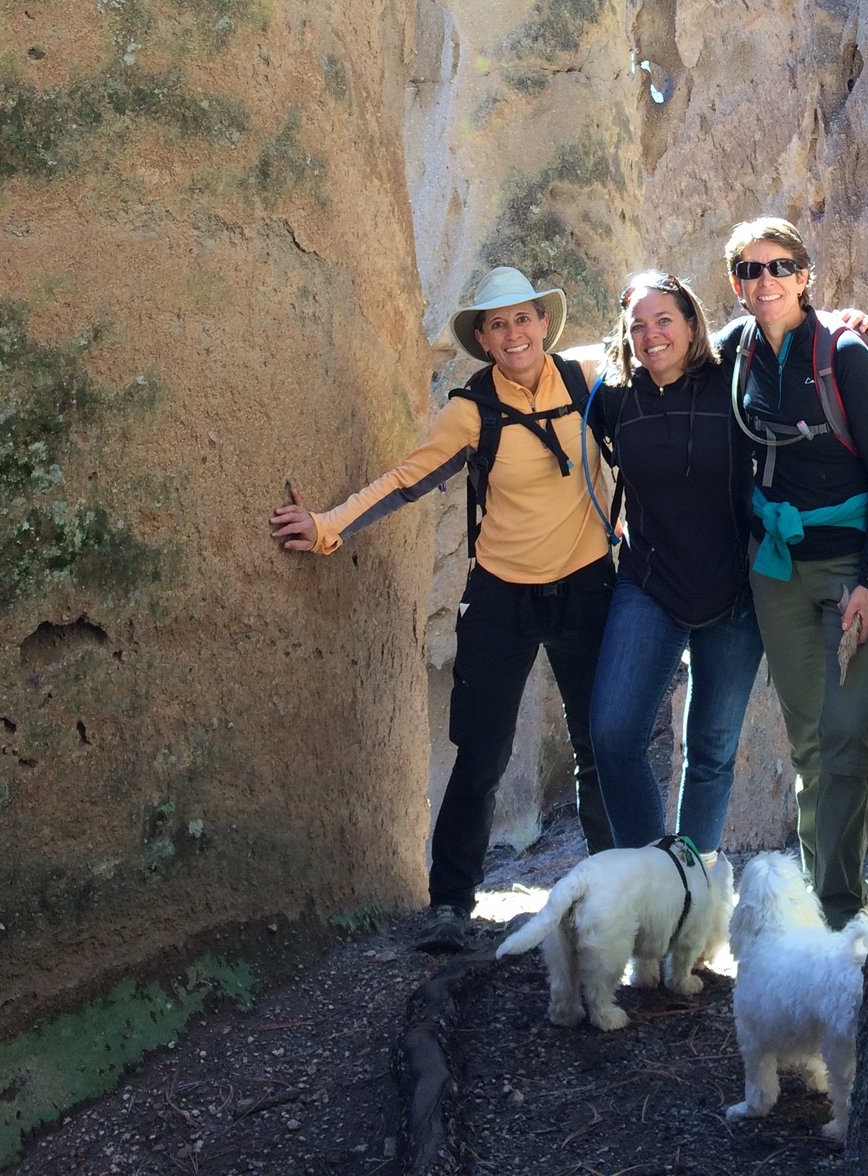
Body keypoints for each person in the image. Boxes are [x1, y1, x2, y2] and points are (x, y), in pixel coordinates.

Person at [269, 265, 616, 947]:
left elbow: (680, 350)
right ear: (483, 339)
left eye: (523, 318)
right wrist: (327, 525)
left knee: (598, 745)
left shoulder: (589, 377)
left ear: (544, 323)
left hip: (587, 586)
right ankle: (452, 905)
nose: (513, 334)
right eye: (497, 324)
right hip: (501, 596)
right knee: (482, 752)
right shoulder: (470, 411)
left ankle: (610, 891)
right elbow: (407, 479)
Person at [723, 216, 868, 927]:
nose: (766, 282)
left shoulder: (844, 355)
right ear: (735, 283)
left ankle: (842, 908)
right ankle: (828, 904)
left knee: (849, 736)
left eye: (779, 266)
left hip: (851, 570)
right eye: (750, 271)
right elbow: (653, 353)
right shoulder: (734, 352)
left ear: (805, 274)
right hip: (779, 575)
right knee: (808, 741)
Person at [586, 270, 765, 853]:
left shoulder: (732, 370)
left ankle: (692, 884)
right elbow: (546, 365)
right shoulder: (612, 395)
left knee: (711, 751)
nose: (651, 335)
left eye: (664, 320)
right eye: (637, 325)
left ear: (691, 324)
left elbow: (787, 319)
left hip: (734, 591)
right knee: (613, 737)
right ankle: (653, 883)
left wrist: (848, 322)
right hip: (648, 585)